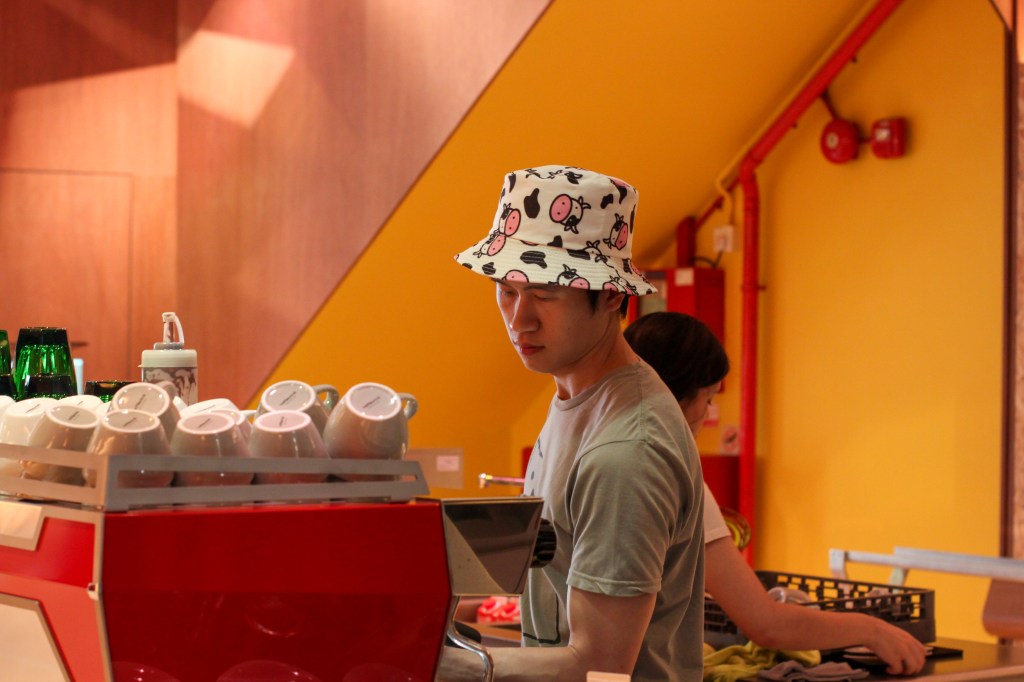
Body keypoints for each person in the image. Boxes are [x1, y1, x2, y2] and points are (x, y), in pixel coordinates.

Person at [440, 166, 706, 681]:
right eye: (506, 290)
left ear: (610, 296)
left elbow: (601, 667)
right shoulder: (575, 392)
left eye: (545, 294)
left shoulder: (627, 450)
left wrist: (444, 667)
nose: (519, 319)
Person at [624, 311, 929, 677]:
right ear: (676, 398)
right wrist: (873, 630)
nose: (707, 413)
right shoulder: (674, 477)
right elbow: (765, 622)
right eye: (708, 398)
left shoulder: (586, 450)